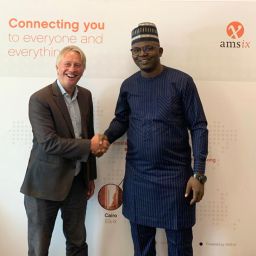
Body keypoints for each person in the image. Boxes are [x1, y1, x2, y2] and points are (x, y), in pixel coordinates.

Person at [103, 22, 208, 256]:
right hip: (138, 179)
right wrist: (106, 138)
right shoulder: (128, 86)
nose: (143, 54)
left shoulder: (181, 82)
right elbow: (121, 120)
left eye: (149, 48)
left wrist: (198, 174)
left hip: (176, 180)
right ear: (131, 54)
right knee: (142, 249)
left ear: (160, 51)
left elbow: (199, 126)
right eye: (137, 50)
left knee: (180, 248)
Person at [20, 45, 108, 256]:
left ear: (83, 69)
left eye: (77, 65)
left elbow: (88, 134)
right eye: (67, 64)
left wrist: (89, 175)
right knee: (39, 249)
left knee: (78, 244)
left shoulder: (86, 96)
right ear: (57, 67)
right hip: (43, 187)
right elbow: (49, 143)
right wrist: (90, 146)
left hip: (77, 184)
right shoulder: (40, 99)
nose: (72, 69)